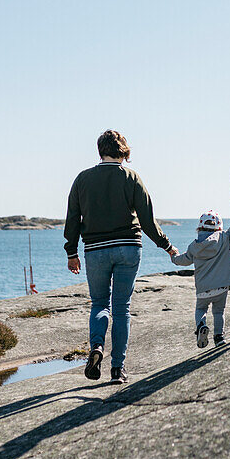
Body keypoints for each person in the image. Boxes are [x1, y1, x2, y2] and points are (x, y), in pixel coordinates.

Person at [64, 129, 178, 384]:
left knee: (99, 304)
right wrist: (167, 246)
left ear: (100, 151)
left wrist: (71, 252)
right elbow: (148, 220)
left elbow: (73, 218)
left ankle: (96, 348)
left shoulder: (82, 179)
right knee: (121, 307)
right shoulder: (132, 177)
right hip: (128, 247)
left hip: (95, 250)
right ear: (124, 152)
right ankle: (118, 369)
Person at [170, 205, 230, 348]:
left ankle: (201, 326)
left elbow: (183, 260)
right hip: (221, 287)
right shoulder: (224, 238)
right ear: (219, 227)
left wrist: (173, 256)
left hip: (203, 289)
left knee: (200, 310)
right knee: (219, 311)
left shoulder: (194, 246)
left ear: (199, 228)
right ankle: (219, 337)